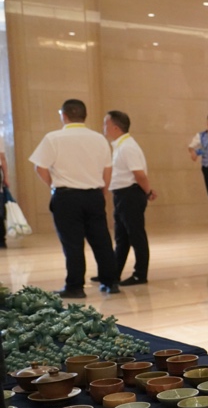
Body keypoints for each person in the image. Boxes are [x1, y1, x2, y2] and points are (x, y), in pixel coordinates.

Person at [29, 98, 121, 298]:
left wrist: (53, 184)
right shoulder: (99, 139)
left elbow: (40, 167)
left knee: (72, 243)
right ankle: (111, 282)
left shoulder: (53, 138)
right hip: (94, 195)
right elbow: (108, 169)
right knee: (101, 240)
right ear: (84, 116)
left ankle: (75, 286)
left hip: (66, 197)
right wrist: (103, 192)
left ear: (64, 115)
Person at [104, 110, 156, 286]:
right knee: (122, 237)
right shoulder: (120, 145)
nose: (104, 127)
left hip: (130, 195)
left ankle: (140, 274)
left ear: (116, 127)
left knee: (136, 235)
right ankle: (113, 272)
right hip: (122, 195)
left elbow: (139, 174)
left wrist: (148, 191)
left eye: (106, 124)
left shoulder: (128, 147)